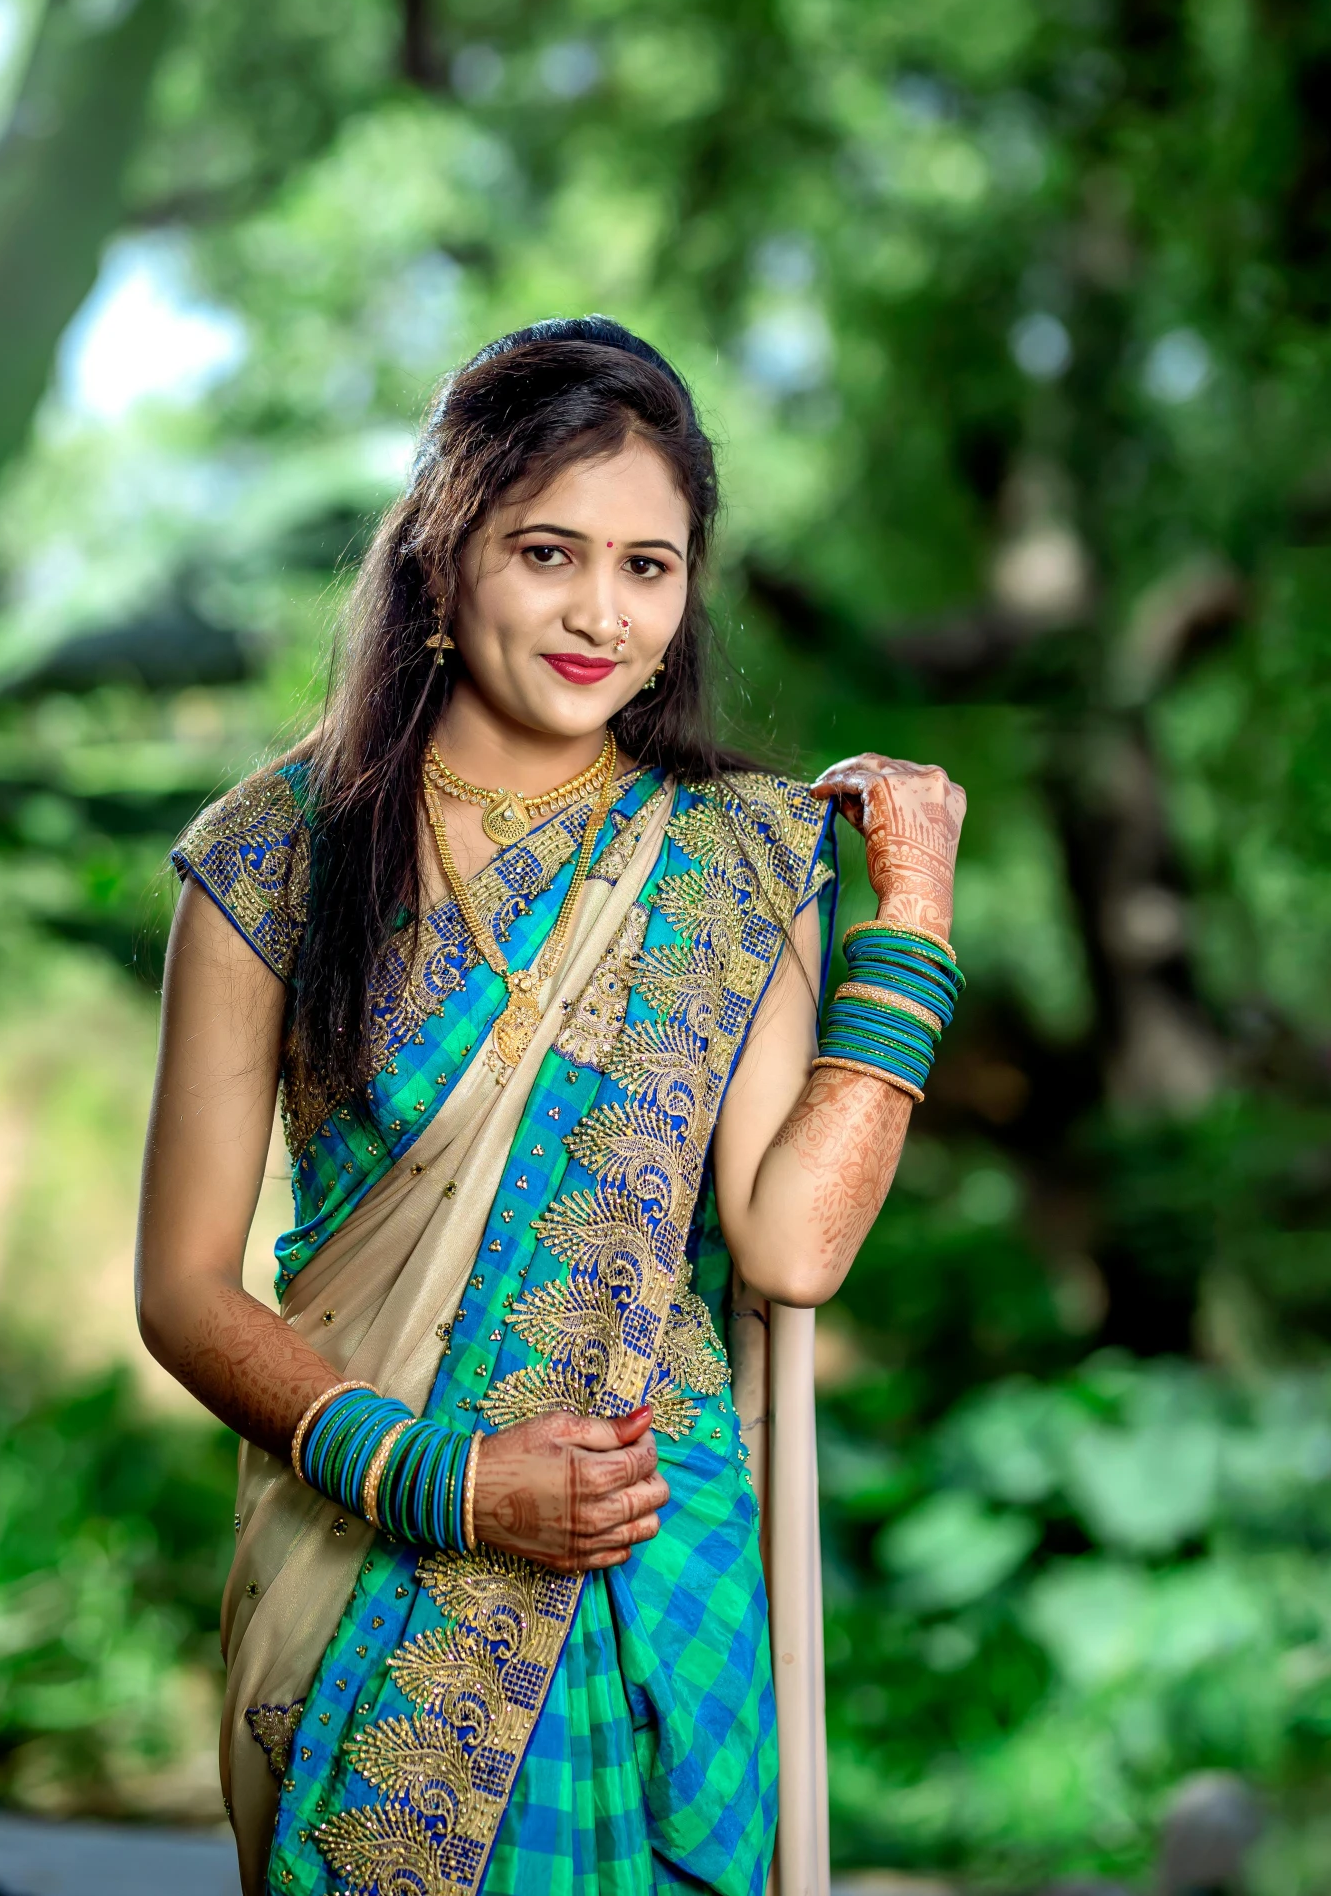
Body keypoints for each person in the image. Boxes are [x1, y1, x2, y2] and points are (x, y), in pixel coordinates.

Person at [135, 317, 966, 1896]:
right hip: (376, 1556)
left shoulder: (734, 853)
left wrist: (909, 923)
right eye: (547, 551)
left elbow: (791, 1245)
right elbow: (179, 1287)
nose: (601, 613)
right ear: (443, 564)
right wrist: (447, 1480)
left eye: (649, 567)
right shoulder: (271, 855)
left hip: (657, 1576)